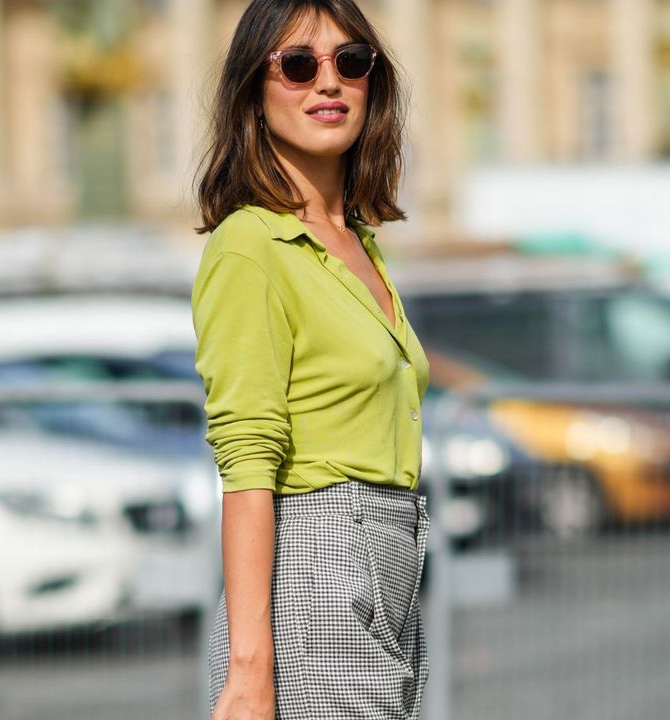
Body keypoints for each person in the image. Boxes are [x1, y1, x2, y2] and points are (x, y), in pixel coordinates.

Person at [191, 1, 431, 718]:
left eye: (350, 61)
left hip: (389, 564)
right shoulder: (249, 247)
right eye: (298, 64)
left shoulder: (357, 243)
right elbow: (247, 462)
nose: (328, 82)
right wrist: (249, 668)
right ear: (254, 96)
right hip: (317, 568)